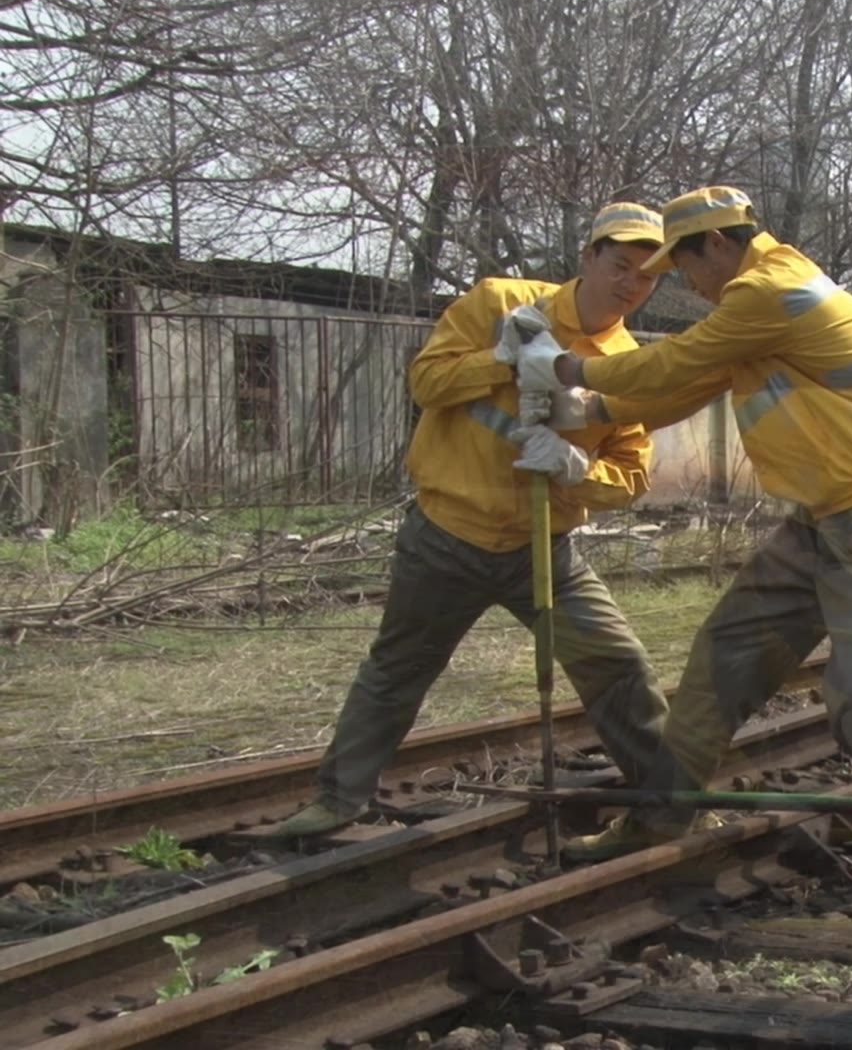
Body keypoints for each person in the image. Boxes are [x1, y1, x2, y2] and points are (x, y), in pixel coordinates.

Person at [513, 185, 852, 896]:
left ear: (716, 244)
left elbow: (672, 364)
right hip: (823, 513)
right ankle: (661, 815)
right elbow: (679, 387)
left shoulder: (770, 290)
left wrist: (565, 368)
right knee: (724, 656)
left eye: (685, 268)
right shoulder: (751, 314)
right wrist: (583, 408)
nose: (687, 287)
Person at [275, 202, 692, 861]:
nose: (630, 286)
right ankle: (337, 799)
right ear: (589, 256)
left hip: (540, 548)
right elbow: (425, 381)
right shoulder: (501, 304)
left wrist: (578, 470)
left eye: (646, 278)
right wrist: (502, 361)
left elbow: (631, 475)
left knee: (616, 663)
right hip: (446, 535)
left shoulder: (626, 364)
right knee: (398, 669)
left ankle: (670, 810)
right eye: (620, 267)